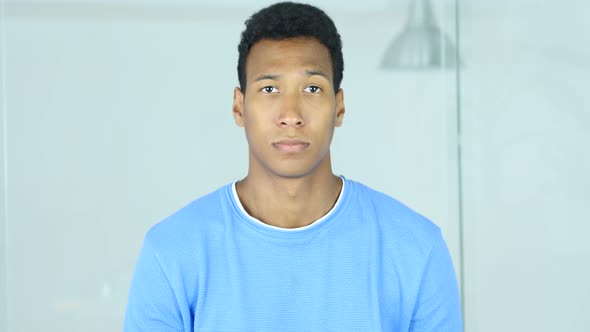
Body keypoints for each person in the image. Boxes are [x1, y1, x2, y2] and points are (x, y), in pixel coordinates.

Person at [124, 2, 463, 331]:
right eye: (269, 88)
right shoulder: (171, 253)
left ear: (339, 107)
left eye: (312, 88)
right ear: (239, 108)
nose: (291, 115)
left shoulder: (417, 250)